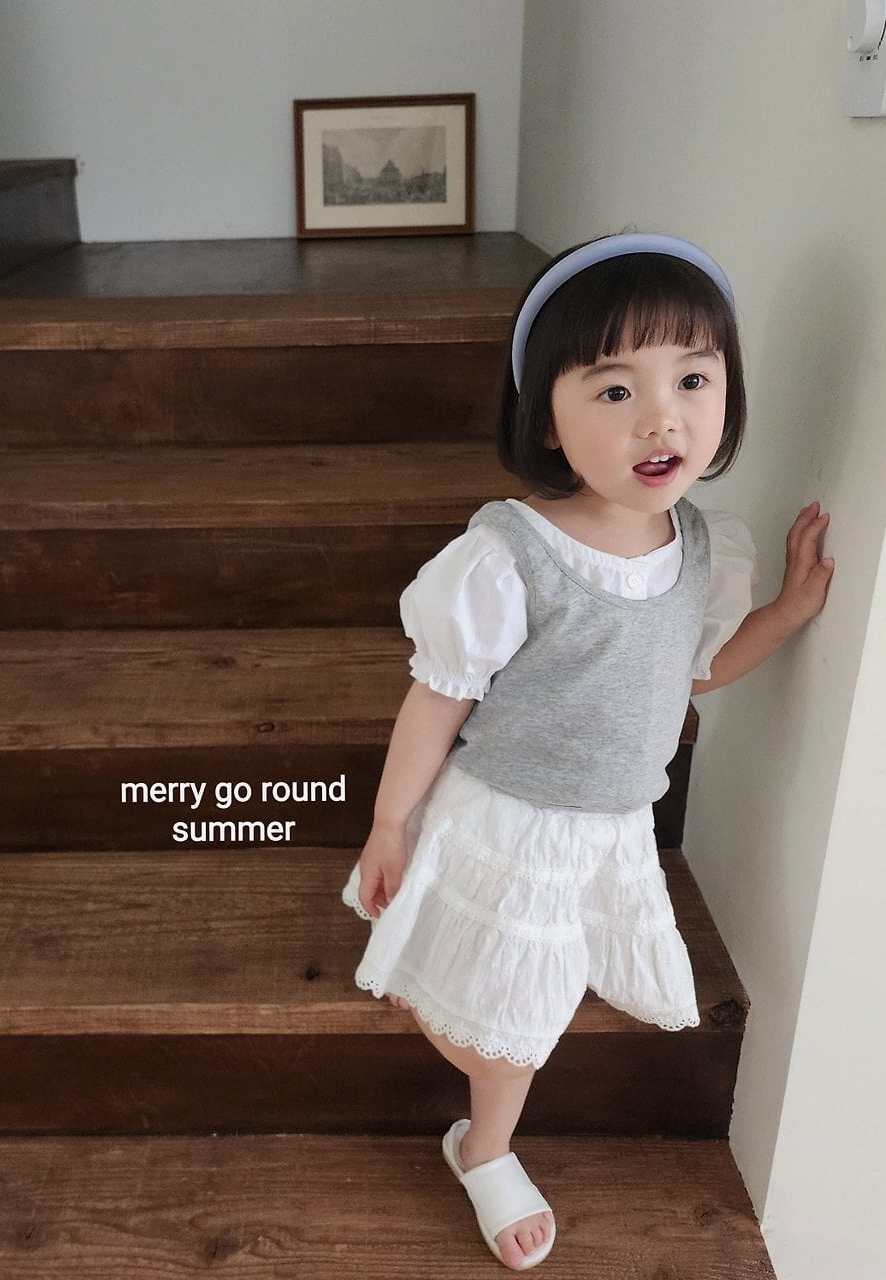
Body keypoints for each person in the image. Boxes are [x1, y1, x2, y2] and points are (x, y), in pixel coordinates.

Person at [341, 233, 834, 1270]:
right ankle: (483, 1144)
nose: (662, 418)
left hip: (610, 829)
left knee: (529, 998)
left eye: (691, 379)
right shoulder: (510, 555)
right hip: (508, 817)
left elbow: (689, 672)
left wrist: (786, 615)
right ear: (546, 422)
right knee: (512, 1021)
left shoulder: (700, 547)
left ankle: (467, 1085)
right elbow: (438, 697)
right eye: (614, 390)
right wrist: (389, 822)